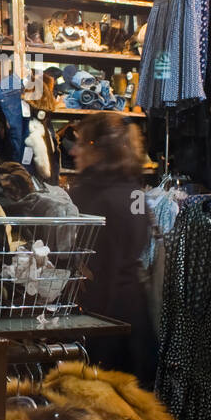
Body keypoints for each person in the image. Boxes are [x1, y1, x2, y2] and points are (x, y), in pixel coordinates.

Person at [67, 112, 155, 386]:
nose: (74, 152)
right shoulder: (133, 190)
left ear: (98, 150)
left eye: (81, 143)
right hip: (135, 319)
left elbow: (102, 271)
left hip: (104, 322)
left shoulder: (91, 196)